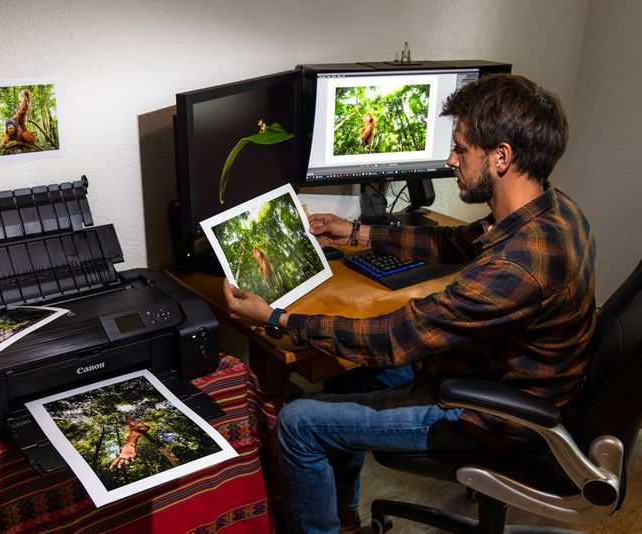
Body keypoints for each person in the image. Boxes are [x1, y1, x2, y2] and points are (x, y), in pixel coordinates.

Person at [222, 73, 595, 534]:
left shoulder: (519, 267)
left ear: (501, 157)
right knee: (351, 377)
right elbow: (456, 241)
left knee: (299, 421)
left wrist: (275, 318)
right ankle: (344, 518)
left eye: (460, 148)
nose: (450, 159)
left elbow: (394, 338)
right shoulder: (555, 211)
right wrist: (357, 233)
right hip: (498, 377)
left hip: (488, 418)